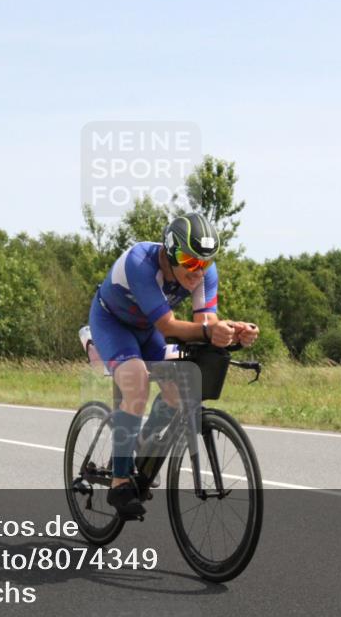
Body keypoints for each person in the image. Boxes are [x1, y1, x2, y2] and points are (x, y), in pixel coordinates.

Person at [88, 213, 259, 517]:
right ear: (169, 252)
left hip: (147, 329)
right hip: (113, 323)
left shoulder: (204, 271)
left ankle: (143, 440)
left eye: (205, 262)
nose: (198, 271)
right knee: (137, 382)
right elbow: (168, 326)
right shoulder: (141, 262)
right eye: (189, 261)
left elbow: (205, 322)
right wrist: (211, 331)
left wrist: (231, 330)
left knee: (178, 389)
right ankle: (119, 481)